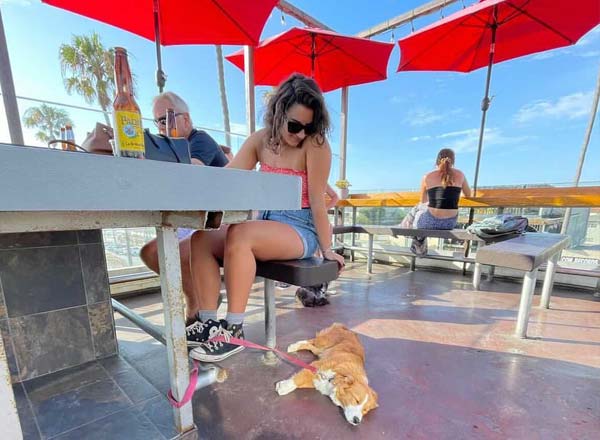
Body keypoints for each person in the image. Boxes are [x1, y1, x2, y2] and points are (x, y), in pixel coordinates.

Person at [185, 73, 345, 362]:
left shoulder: (316, 145)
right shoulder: (260, 140)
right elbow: (229, 178)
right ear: (278, 114)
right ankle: (209, 324)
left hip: (300, 227)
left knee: (241, 234)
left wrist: (329, 249)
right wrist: (191, 174)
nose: (300, 135)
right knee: (202, 239)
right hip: (268, 222)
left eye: (307, 128)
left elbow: (320, 204)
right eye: (294, 126)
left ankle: (233, 330)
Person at [140, 92, 229, 324]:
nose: (161, 127)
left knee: (171, 251)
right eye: (157, 121)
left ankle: (198, 306)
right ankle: (198, 298)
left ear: (186, 120)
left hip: (224, 222)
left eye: (166, 119)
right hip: (198, 221)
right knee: (150, 253)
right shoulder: (168, 150)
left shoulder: (200, 141)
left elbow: (187, 176)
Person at [401, 148, 471, 256]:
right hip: (450, 223)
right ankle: (407, 229)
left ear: (437, 160)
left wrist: (435, 201)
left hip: (429, 222)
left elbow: (423, 201)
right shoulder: (460, 174)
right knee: (418, 212)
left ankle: (408, 232)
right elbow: (468, 194)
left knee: (417, 209)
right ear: (453, 160)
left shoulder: (427, 176)